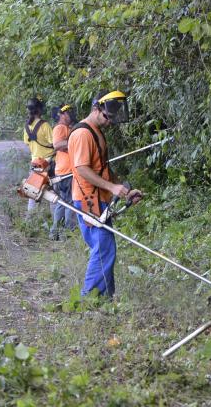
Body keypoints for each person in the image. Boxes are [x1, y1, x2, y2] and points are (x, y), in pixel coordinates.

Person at [68, 90, 142, 297]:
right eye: (107, 117)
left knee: (105, 249)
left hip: (99, 199)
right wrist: (111, 188)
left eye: (112, 118)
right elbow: (82, 169)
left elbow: (103, 168)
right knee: (103, 249)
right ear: (95, 109)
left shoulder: (96, 131)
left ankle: (105, 297)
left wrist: (123, 190)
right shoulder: (83, 134)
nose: (109, 122)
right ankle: (90, 300)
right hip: (88, 200)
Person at [49, 103, 78, 240]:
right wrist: (74, 141)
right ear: (60, 115)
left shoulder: (67, 128)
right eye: (67, 113)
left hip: (64, 171)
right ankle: (67, 233)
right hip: (66, 172)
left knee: (62, 203)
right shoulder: (60, 128)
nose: (70, 115)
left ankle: (55, 233)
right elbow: (57, 145)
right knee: (70, 203)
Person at [23, 97, 54, 213]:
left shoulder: (26, 126)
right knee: (53, 192)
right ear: (40, 110)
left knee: (33, 193)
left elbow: (27, 143)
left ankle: (30, 221)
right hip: (48, 163)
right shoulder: (45, 125)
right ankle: (56, 222)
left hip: (35, 163)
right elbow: (54, 143)